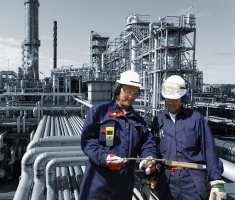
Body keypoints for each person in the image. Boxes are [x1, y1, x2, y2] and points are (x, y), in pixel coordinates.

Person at [78, 70, 158, 200]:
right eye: (127, 91)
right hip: (97, 186)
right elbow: (88, 141)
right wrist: (105, 157)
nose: (131, 96)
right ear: (117, 88)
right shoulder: (99, 112)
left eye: (135, 93)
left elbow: (147, 143)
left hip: (123, 189)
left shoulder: (138, 121)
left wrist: (149, 157)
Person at [151, 75, 226, 200]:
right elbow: (153, 149)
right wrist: (149, 177)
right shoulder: (158, 120)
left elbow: (209, 150)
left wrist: (216, 180)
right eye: (168, 99)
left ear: (183, 98)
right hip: (167, 182)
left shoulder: (196, 119)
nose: (171, 102)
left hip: (192, 183)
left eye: (175, 99)